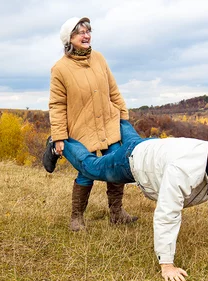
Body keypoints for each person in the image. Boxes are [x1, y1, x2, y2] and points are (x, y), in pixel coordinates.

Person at [59, 119, 208, 281]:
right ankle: (59, 142)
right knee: (91, 167)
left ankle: (117, 116)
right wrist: (167, 264)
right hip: (132, 161)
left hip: (153, 147)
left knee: (134, 140)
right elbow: (168, 214)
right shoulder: (183, 170)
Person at [43, 16, 137, 231]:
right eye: (80, 32)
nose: (86, 36)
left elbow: (113, 90)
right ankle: (76, 218)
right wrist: (58, 136)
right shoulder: (60, 69)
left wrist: (123, 115)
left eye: (88, 31)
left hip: (108, 123)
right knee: (87, 170)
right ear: (69, 39)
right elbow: (57, 104)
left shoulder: (100, 58)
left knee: (117, 163)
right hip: (81, 127)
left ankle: (117, 213)